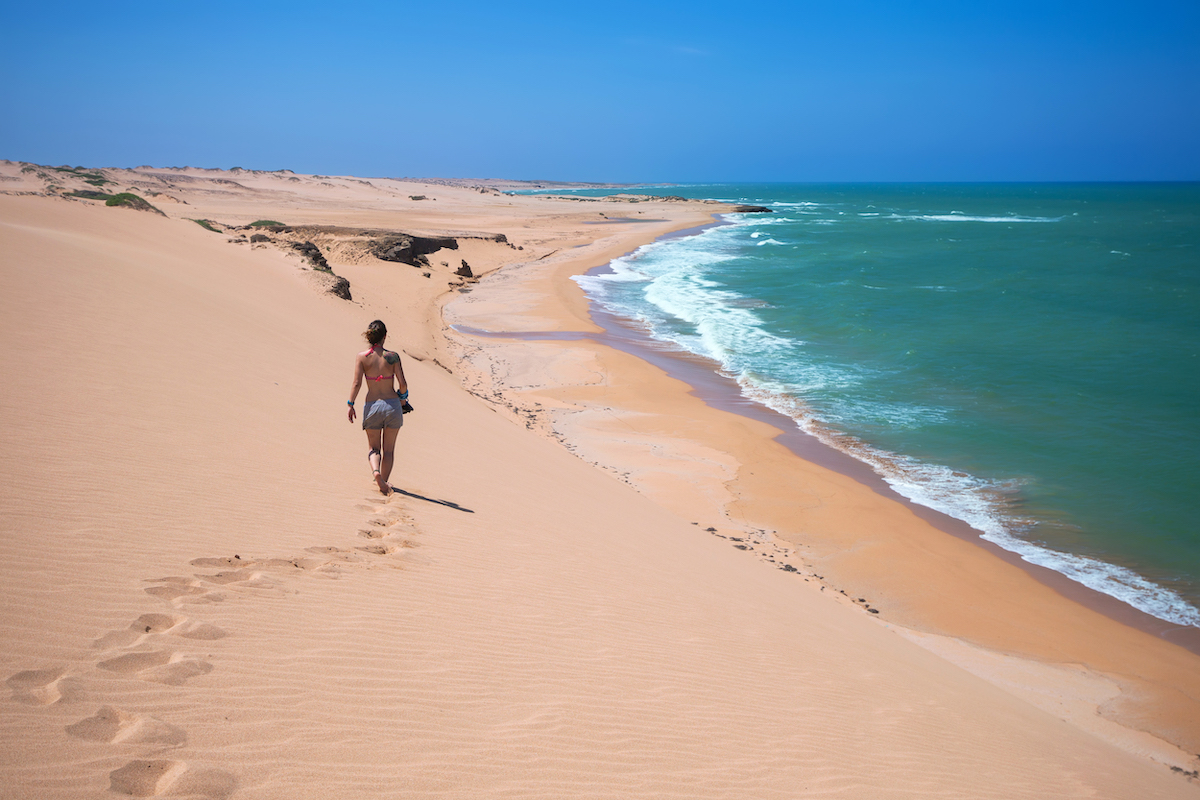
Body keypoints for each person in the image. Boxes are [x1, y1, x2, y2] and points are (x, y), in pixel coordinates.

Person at [347, 320, 409, 494]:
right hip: (392, 406)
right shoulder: (393, 356)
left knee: (374, 448)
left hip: (372, 405)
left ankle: (376, 473)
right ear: (385, 336)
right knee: (388, 450)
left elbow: (357, 383)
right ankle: (384, 482)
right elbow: (403, 384)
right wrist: (403, 399)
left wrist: (350, 404)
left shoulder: (362, 357)